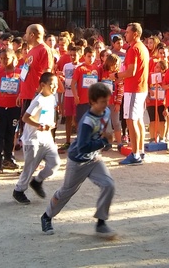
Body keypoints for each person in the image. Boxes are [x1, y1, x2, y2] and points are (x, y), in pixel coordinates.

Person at [41, 81, 116, 235]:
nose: (105, 105)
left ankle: (101, 222)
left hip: (94, 159)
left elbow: (102, 128)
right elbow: (82, 147)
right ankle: (47, 216)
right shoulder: (87, 122)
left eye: (107, 101)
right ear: (93, 102)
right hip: (78, 161)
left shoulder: (106, 112)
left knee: (109, 185)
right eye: (102, 102)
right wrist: (104, 141)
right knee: (66, 191)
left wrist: (105, 135)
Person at [13, 72, 61, 204]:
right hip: (32, 139)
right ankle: (19, 190)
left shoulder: (52, 97)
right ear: (42, 85)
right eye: (52, 85)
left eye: (56, 84)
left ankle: (37, 181)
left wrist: (51, 125)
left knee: (55, 163)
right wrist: (39, 125)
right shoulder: (38, 101)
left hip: (46, 138)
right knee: (30, 167)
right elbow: (25, 117)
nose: (55, 87)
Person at [116, 22, 149, 165]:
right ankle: (140, 151)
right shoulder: (142, 47)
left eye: (128, 32)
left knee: (131, 120)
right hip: (140, 88)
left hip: (134, 88)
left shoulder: (134, 48)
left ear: (135, 34)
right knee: (138, 120)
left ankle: (135, 154)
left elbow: (131, 71)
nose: (125, 34)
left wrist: (116, 76)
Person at [0, 48, 22, 173]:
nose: (3, 61)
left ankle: (8, 158)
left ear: (14, 58)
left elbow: (24, 89)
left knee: (11, 134)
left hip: (14, 109)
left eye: (6, 58)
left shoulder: (19, 73)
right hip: (0, 109)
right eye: (1, 58)